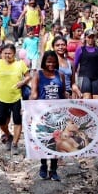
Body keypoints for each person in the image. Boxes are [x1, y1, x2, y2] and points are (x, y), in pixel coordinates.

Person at [0, 43, 31, 152]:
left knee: (17, 121)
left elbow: (28, 76)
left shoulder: (20, 64)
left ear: (14, 54)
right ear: (1, 54)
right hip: (1, 97)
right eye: (5, 53)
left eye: (10, 53)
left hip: (16, 98)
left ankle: (15, 144)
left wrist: (23, 82)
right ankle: (8, 135)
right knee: (1, 121)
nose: (7, 55)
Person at [32, 50, 70, 181]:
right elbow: (34, 94)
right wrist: (27, 108)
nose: (51, 64)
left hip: (58, 115)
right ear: (44, 62)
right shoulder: (38, 75)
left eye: (54, 62)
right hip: (42, 115)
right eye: (49, 62)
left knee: (56, 143)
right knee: (44, 141)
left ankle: (53, 170)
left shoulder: (60, 75)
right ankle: (43, 165)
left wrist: (70, 101)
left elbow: (63, 94)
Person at [72, 31, 98, 99]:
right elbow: (75, 64)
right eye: (89, 37)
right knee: (87, 97)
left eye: (92, 37)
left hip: (95, 77)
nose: (91, 39)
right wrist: (73, 80)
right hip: (84, 76)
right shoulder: (80, 49)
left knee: (97, 98)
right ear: (85, 38)